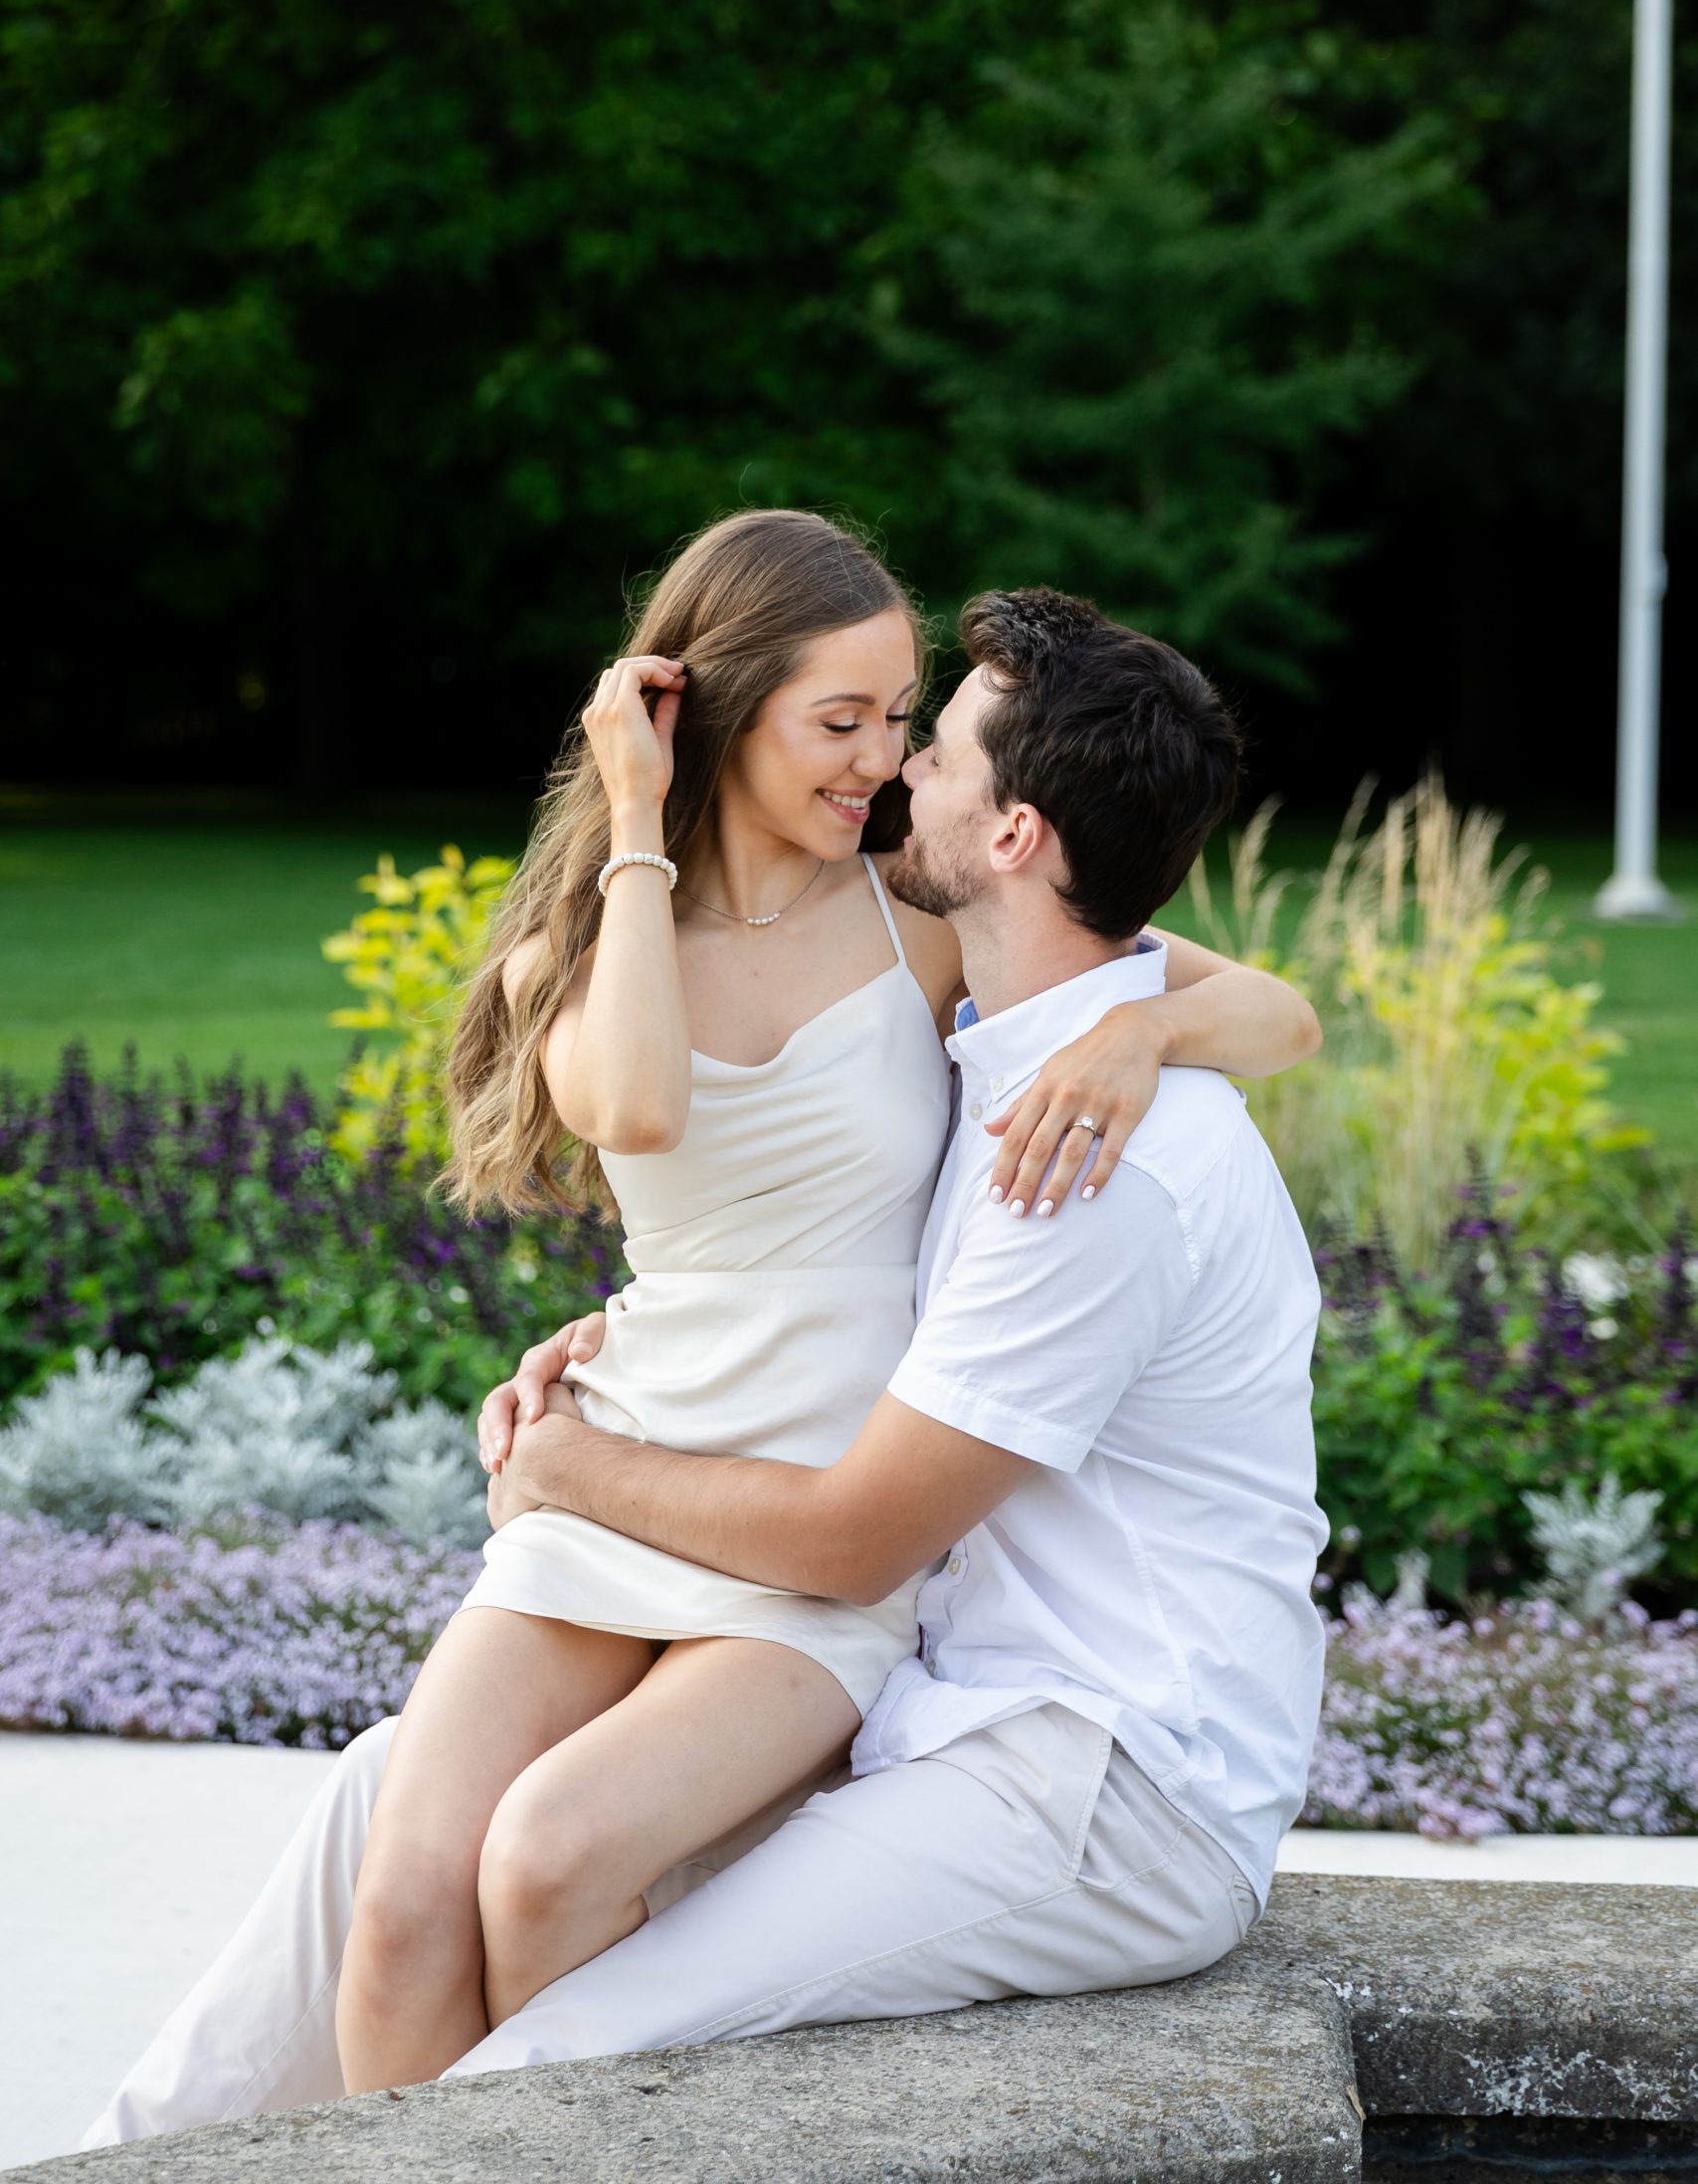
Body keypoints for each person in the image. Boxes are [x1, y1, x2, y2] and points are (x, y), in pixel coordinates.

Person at [83, 544, 1324, 2145]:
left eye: (910, 726)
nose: (888, 762)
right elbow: (648, 1111)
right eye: (848, 722)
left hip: (810, 1527)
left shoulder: (925, 938)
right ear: (722, 714)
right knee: (397, 1886)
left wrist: (1142, 1027)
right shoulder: (596, 953)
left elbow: (1272, 1009)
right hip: (646, 1457)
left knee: (547, 1854)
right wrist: (634, 823)